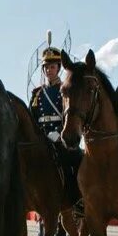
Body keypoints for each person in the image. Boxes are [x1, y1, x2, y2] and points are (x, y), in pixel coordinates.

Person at [29, 36, 84, 218]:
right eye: (45, 67)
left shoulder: (66, 89)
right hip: (41, 137)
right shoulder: (38, 93)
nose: (48, 70)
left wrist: (59, 133)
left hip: (61, 135)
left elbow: (72, 114)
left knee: (77, 159)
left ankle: (78, 200)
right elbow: (32, 118)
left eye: (52, 66)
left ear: (59, 68)